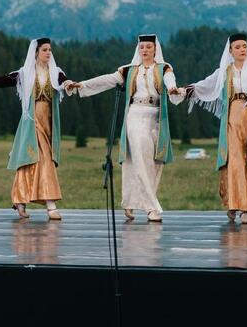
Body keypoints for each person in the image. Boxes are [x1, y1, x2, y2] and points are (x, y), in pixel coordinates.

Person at [69, 34, 184, 222]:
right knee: (140, 155)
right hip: (135, 115)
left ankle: (130, 203)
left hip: (156, 116)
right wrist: (82, 85)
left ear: (155, 49)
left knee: (149, 162)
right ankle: (151, 208)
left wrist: (172, 89)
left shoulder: (164, 68)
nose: (145, 50)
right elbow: (107, 80)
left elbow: (170, 80)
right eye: (142, 47)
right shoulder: (129, 70)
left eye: (149, 46)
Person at [0, 38, 73, 220]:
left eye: (50, 50)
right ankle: (50, 204)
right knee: (43, 158)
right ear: (36, 52)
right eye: (45, 50)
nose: (48, 53)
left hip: (48, 122)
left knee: (30, 160)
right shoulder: (25, 73)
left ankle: (19, 200)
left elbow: (64, 82)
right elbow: (6, 80)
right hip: (31, 121)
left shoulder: (56, 72)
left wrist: (69, 84)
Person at [186, 33, 247, 224]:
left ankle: (246, 206)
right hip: (233, 114)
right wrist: (183, 91)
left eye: (245, 46)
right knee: (234, 160)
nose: (242, 49)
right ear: (231, 51)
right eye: (238, 47)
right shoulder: (224, 72)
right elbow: (205, 86)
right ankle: (235, 203)